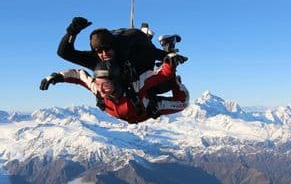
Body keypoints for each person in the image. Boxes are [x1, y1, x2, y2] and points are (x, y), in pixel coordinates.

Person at [40, 53, 190, 124]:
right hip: (132, 115)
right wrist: (57, 76)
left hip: (147, 110)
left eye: (105, 85)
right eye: (98, 84)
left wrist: (170, 63)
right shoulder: (98, 89)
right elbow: (79, 76)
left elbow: (160, 74)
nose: (100, 89)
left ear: (116, 82)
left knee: (183, 103)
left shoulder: (135, 87)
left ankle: (175, 77)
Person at [57, 16, 181, 79]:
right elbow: (64, 53)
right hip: (130, 51)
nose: (104, 53)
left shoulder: (125, 50)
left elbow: (150, 53)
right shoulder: (96, 59)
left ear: (113, 47)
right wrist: (71, 33)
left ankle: (168, 43)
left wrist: (169, 56)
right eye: (99, 51)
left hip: (140, 51)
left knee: (162, 80)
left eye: (107, 49)